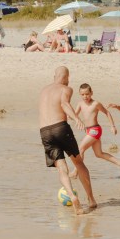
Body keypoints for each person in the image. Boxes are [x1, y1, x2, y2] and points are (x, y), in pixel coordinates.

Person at [38, 66, 95, 215]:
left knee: (61, 168)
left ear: (54, 76)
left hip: (44, 132)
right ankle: (90, 199)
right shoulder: (66, 89)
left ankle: (71, 195)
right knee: (78, 163)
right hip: (60, 128)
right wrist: (77, 118)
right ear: (67, 77)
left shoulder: (44, 90)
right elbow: (64, 104)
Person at [72, 83, 120, 177]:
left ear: (91, 93)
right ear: (80, 94)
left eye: (87, 94)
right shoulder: (80, 104)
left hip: (95, 130)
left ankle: (76, 172)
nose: (85, 96)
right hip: (88, 131)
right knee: (98, 153)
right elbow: (74, 115)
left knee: (80, 149)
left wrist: (112, 126)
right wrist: (71, 117)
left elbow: (107, 113)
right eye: (83, 94)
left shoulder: (95, 104)